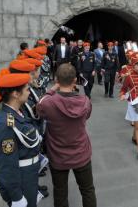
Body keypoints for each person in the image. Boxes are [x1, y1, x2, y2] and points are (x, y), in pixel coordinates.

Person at [36, 63, 97, 207]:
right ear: (75, 80)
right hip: (81, 153)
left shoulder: (48, 103)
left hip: (58, 156)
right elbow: (86, 116)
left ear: (56, 80)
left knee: (60, 192)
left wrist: (52, 90)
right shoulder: (85, 101)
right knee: (88, 190)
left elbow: (39, 105)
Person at [0, 73, 42, 207]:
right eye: (27, 89)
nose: (29, 92)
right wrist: (17, 197)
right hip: (21, 181)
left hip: (28, 176)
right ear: (15, 94)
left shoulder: (16, 112)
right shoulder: (5, 125)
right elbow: (7, 164)